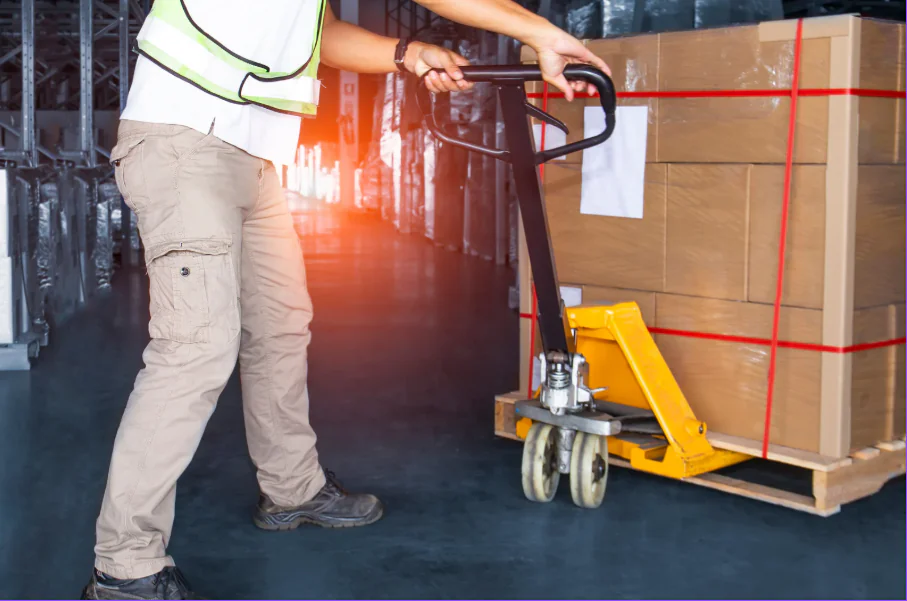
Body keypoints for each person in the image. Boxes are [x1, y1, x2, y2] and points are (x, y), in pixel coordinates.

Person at [81, 0, 611, 598]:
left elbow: (322, 32)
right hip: (186, 139)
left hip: (253, 154)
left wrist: (408, 54)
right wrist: (538, 31)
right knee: (196, 349)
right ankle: (124, 566)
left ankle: (291, 490)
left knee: (280, 327)